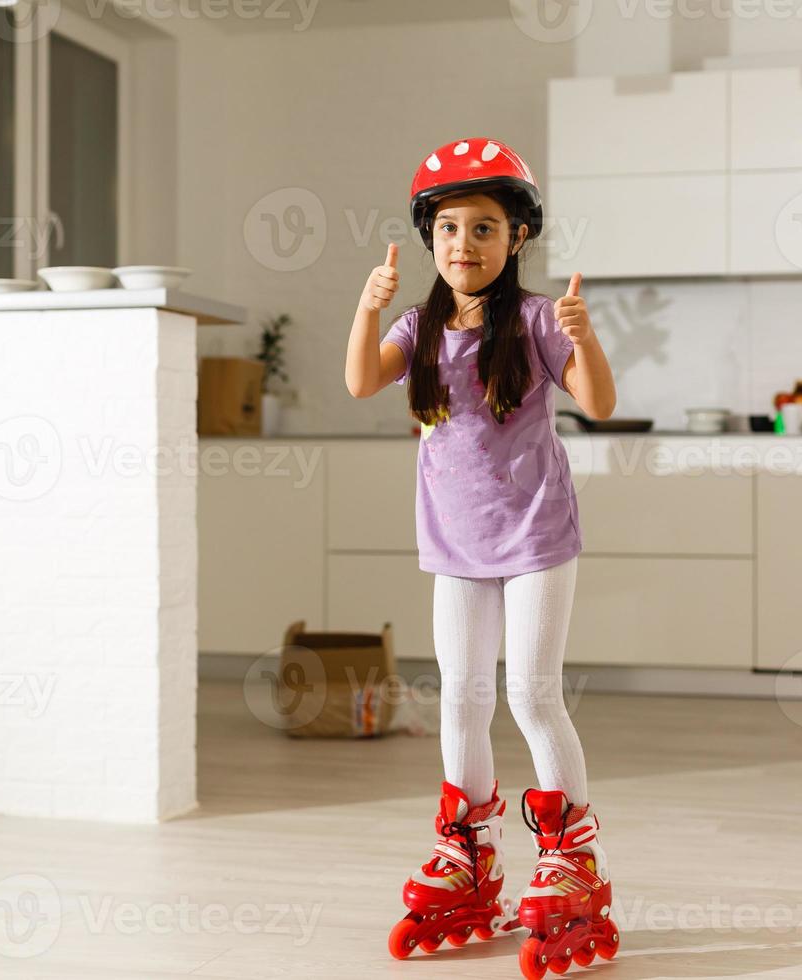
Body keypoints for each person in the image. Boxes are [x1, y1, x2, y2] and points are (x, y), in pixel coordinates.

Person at [345, 138, 620, 978]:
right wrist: (365, 307)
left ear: (518, 239)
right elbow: (361, 383)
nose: (466, 244)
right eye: (451, 228)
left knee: (532, 696)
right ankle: (470, 855)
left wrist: (585, 334)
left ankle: (571, 858)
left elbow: (601, 404)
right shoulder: (415, 327)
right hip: (456, 547)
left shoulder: (536, 321)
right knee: (462, 701)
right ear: (431, 238)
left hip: (536, 537)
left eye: (487, 229)